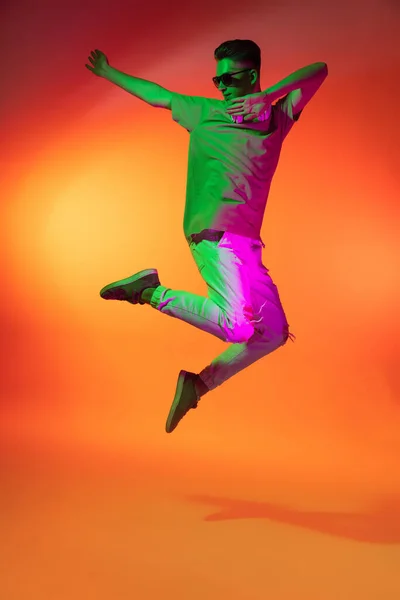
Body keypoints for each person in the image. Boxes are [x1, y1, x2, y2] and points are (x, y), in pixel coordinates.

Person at [85, 40, 328, 434]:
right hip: (214, 232)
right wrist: (109, 72)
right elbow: (158, 97)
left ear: (252, 74)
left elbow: (319, 68)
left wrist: (267, 97)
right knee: (238, 326)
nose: (222, 86)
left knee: (273, 333)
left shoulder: (278, 117)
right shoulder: (206, 112)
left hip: (247, 242)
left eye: (230, 77)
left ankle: (197, 385)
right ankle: (150, 291)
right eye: (217, 79)